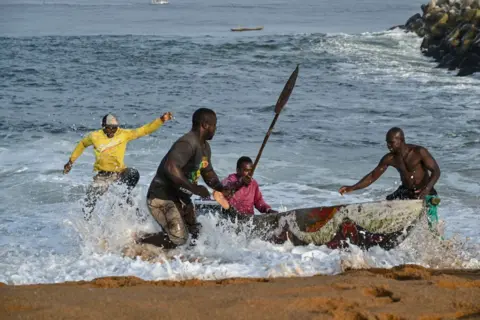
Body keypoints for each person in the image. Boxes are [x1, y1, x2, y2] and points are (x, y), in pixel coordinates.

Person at [142, 108, 232, 247]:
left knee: (195, 232)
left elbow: (208, 173)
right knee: (179, 238)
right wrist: (194, 189)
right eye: (214, 125)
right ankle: (139, 241)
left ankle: (186, 263)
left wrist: (221, 188)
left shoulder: (205, 147)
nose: (215, 129)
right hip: (161, 197)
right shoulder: (187, 143)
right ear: (205, 125)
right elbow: (170, 168)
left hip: (180, 198)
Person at [63, 112, 173, 220]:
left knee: (132, 175)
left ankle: (136, 215)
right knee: (89, 200)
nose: (112, 131)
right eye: (109, 128)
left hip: (119, 174)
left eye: (114, 128)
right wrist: (70, 162)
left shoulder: (123, 134)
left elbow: (144, 130)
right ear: (103, 126)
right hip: (102, 177)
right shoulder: (94, 136)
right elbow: (82, 144)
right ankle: (87, 224)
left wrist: (161, 120)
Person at [339, 127, 441, 200]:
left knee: (428, 217)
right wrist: (352, 188)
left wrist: (427, 189)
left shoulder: (419, 152)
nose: (388, 145)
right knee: (387, 202)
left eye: (391, 142)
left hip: (427, 192)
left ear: (401, 140)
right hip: (406, 191)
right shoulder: (390, 158)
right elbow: (372, 176)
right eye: (387, 142)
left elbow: (436, 171)